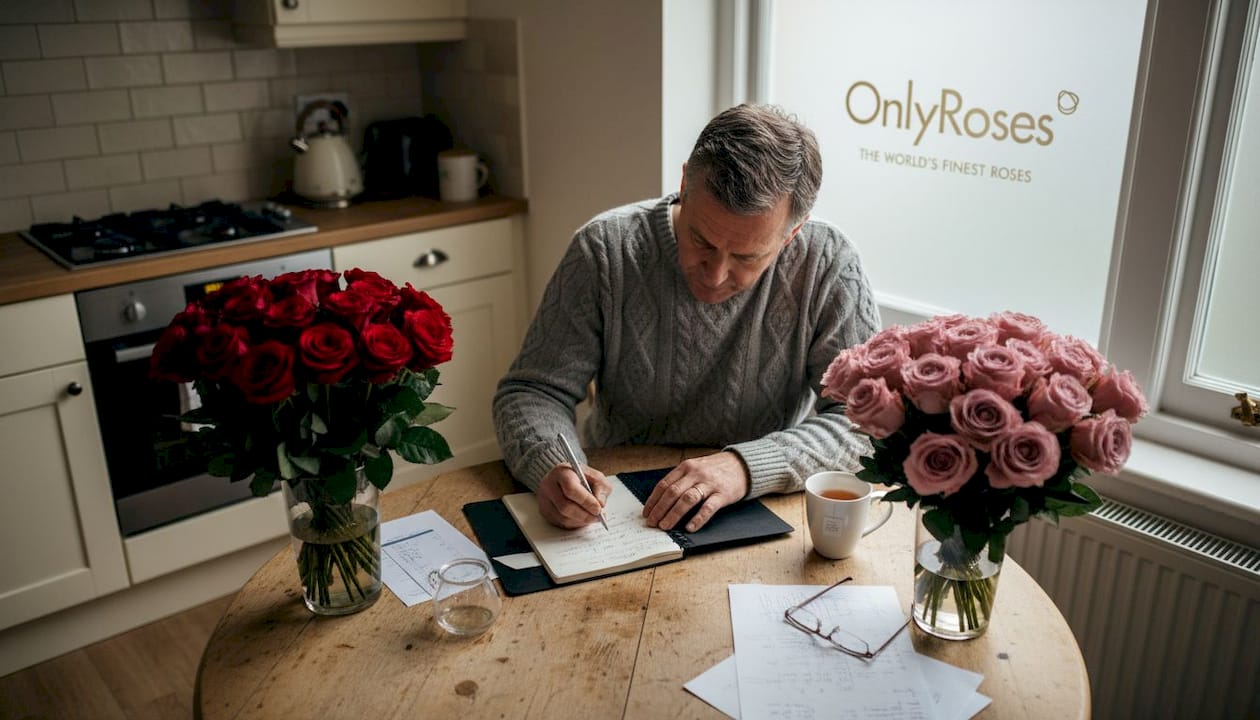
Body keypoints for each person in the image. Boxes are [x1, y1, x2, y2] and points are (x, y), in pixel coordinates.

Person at [492, 103, 880, 531]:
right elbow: (532, 391)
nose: (715, 275)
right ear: (683, 186)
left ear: (793, 232)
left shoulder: (827, 264)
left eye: (746, 257)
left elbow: (865, 424)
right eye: (701, 240)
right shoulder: (604, 249)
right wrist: (552, 463)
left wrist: (744, 466)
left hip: (763, 503)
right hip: (615, 506)